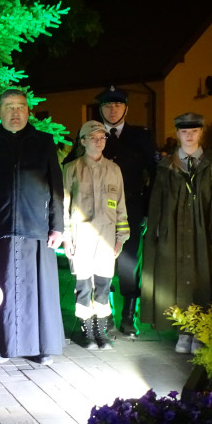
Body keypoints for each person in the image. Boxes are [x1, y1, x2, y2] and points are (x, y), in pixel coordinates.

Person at [0, 90, 64, 365]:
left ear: (28, 111)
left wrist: (58, 226)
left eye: (21, 107)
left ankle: (42, 347)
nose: (15, 112)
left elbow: (56, 186)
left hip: (36, 227)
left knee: (40, 291)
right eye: (9, 107)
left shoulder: (44, 142)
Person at [141, 112, 212, 352]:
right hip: (175, 230)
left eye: (194, 131)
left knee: (202, 276)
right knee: (177, 277)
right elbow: (157, 203)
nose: (189, 136)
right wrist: (156, 232)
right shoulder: (166, 167)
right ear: (177, 134)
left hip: (204, 230)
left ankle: (201, 329)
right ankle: (183, 330)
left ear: (201, 133)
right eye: (184, 131)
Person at [95, 86, 157, 336]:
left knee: (129, 263)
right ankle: (106, 313)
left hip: (131, 207)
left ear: (126, 108)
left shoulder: (140, 137)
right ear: (101, 109)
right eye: (108, 106)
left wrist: (147, 210)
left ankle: (129, 317)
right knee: (101, 260)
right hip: (100, 209)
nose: (112, 110)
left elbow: (155, 174)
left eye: (117, 105)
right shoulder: (93, 134)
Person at [62, 120, 129, 350]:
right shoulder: (71, 168)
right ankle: (86, 330)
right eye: (93, 138)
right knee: (83, 285)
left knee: (103, 284)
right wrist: (66, 237)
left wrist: (121, 237)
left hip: (106, 237)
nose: (99, 142)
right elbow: (63, 205)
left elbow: (120, 205)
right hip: (81, 236)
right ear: (82, 141)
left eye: (102, 137)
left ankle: (101, 330)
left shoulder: (114, 170)